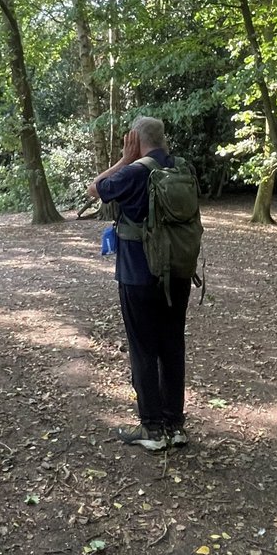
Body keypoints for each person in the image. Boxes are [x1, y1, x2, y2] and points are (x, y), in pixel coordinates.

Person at [88, 116, 193, 453]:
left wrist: (124, 158)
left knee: (144, 349)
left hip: (139, 275)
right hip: (177, 271)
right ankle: (175, 425)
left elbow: (95, 188)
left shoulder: (134, 173)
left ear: (133, 138)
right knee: (173, 345)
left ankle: (152, 428)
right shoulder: (183, 168)